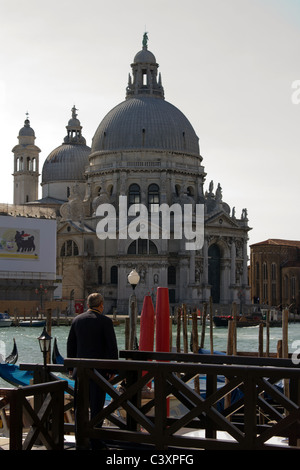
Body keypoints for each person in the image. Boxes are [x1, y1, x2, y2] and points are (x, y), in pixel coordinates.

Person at [67, 292, 118, 450]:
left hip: (80, 372)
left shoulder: (77, 320)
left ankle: (79, 438)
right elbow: (112, 348)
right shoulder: (105, 322)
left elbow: (71, 346)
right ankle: (95, 440)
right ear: (101, 305)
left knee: (79, 406)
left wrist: (71, 368)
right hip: (99, 373)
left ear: (88, 305)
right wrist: (112, 370)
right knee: (97, 407)